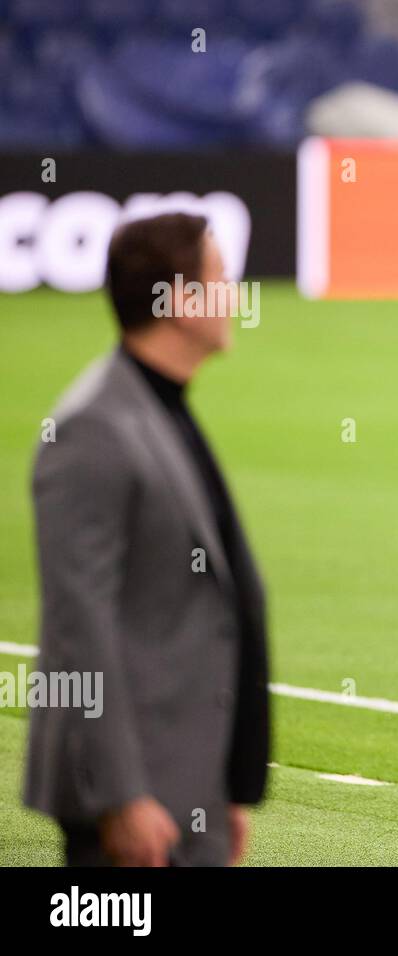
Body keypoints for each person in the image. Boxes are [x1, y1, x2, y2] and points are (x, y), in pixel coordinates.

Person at [24, 212, 270, 866]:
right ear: (180, 302)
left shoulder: (163, 410)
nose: (236, 296)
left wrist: (226, 791)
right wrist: (121, 796)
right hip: (137, 806)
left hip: (189, 788)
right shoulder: (93, 431)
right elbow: (80, 630)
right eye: (221, 277)